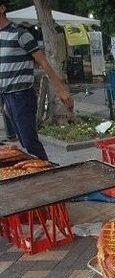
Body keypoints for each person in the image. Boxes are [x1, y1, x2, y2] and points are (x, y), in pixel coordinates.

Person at [0, 0, 73, 160]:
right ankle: (38, 173)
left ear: (2, 8)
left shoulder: (20, 34)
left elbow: (44, 62)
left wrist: (61, 89)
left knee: (30, 142)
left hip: (22, 96)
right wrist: (4, 101)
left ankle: (47, 171)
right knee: (24, 143)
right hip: (8, 96)